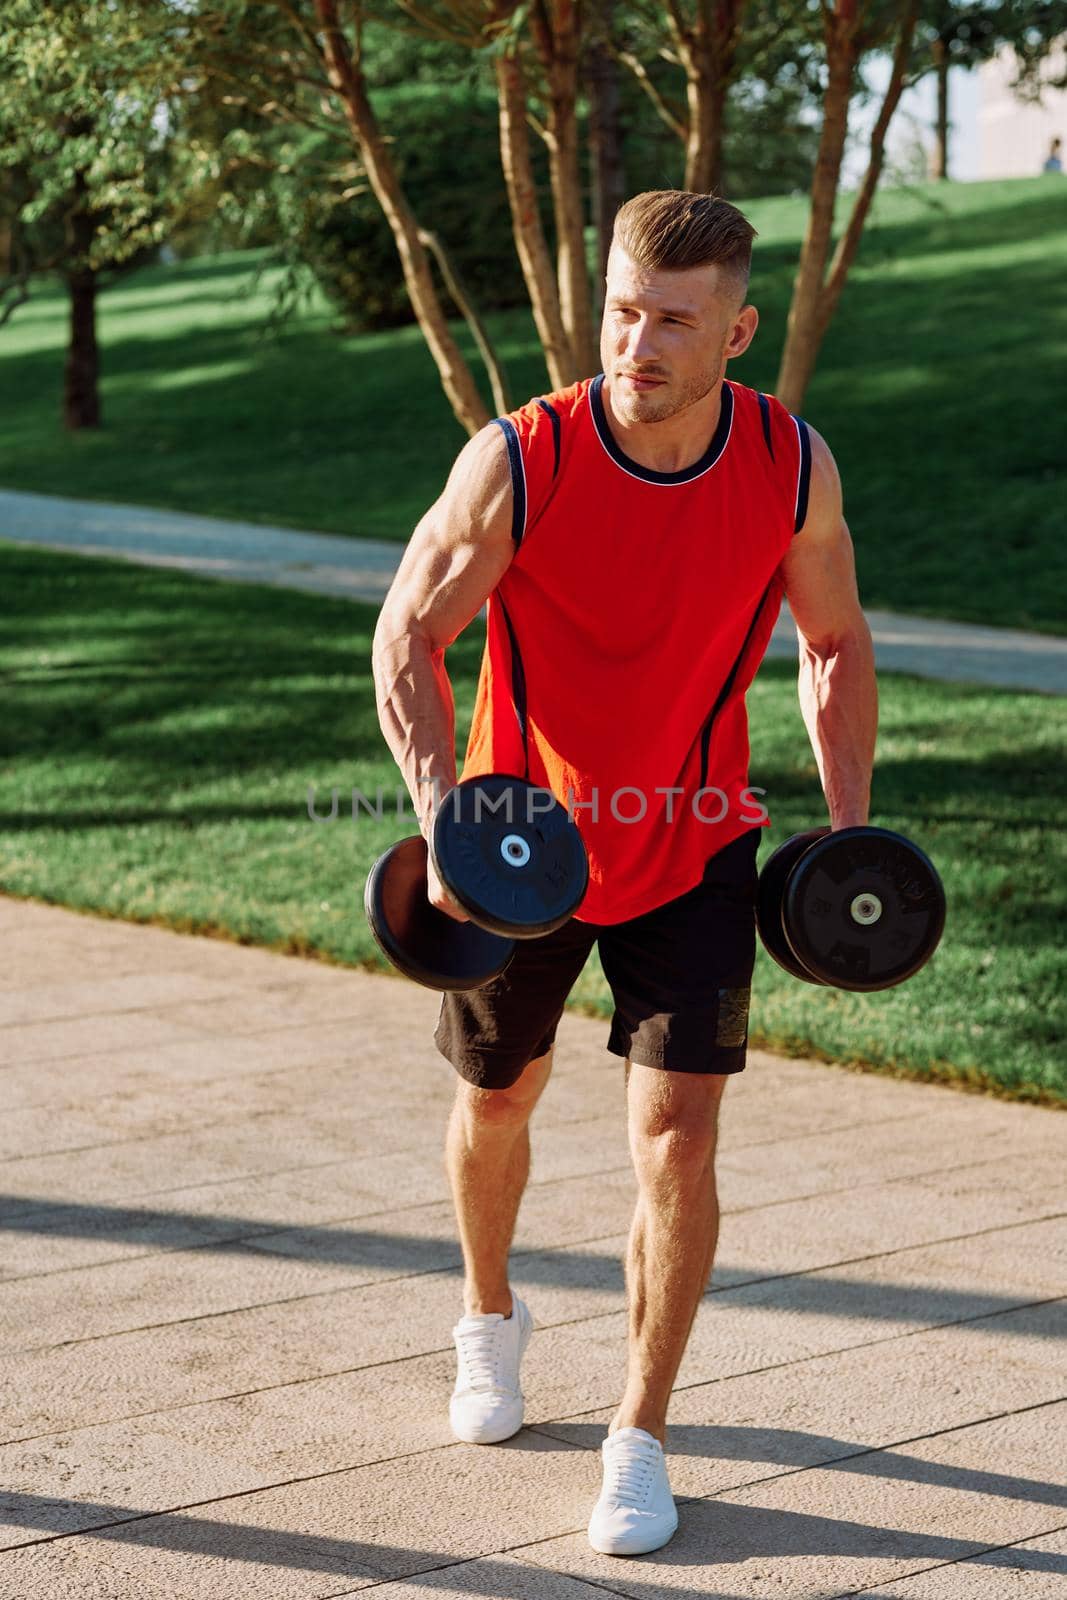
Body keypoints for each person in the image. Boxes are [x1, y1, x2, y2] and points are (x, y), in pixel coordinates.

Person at [372, 189, 877, 1558]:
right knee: (498, 1097)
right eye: (620, 310)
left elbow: (832, 642)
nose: (635, 342)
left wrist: (844, 830)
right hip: (524, 845)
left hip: (699, 835)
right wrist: (448, 818)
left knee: (681, 1137)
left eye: (671, 320)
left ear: (737, 331)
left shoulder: (790, 463)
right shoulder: (522, 458)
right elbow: (407, 633)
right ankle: (489, 1317)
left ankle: (637, 1434)